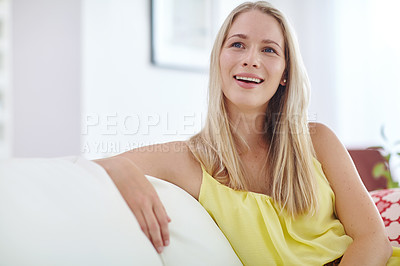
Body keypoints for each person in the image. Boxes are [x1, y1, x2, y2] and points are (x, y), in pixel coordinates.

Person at [95, 1, 400, 265]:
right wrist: (118, 168)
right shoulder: (187, 159)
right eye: (238, 44)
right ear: (219, 58)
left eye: (269, 49)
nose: (251, 59)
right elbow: (90, 168)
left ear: (285, 73)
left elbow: (374, 238)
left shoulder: (317, 140)